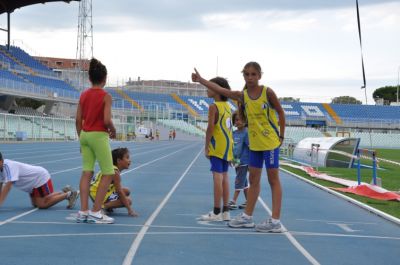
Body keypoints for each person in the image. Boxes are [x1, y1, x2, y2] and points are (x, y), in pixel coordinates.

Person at [192, 62, 286, 232]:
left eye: (253, 74)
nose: (250, 77)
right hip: (255, 144)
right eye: (247, 74)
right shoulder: (242, 96)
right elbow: (221, 90)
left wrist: (281, 135)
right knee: (253, 180)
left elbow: (280, 112)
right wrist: (200, 80)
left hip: (270, 143)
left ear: (259, 76)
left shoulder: (267, 92)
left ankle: (275, 220)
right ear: (243, 75)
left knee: (273, 179)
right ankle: (247, 217)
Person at [75, 58, 117, 224]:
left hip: (84, 134)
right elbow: (106, 120)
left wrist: (80, 138)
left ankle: (83, 211)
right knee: (108, 173)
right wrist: (113, 130)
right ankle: (96, 211)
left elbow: (78, 120)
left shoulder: (83, 95)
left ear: (90, 78)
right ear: (105, 78)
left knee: (87, 172)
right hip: (98, 135)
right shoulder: (106, 96)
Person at [199, 77, 233, 222]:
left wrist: (206, 146)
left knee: (217, 177)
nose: (206, 88)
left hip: (217, 144)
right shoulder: (228, 106)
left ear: (217, 89)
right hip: (228, 144)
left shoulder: (214, 107)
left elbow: (210, 128)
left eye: (209, 86)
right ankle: (225, 211)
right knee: (225, 176)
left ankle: (216, 211)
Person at [0, 152, 79, 209]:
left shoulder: (8, 167)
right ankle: (63, 193)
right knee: (35, 205)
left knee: (42, 205)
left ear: (1, 161)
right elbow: (1, 184)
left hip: (39, 178)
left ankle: (69, 194)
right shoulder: (2, 167)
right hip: (32, 184)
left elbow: (7, 187)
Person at [90, 148, 138, 217]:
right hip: (97, 194)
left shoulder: (111, 168)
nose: (130, 160)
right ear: (118, 160)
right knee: (128, 201)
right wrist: (130, 210)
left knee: (126, 191)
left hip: (95, 191)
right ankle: (102, 206)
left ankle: (106, 205)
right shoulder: (115, 172)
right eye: (127, 158)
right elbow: (119, 192)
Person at [228, 111, 249, 210]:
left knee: (239, 180)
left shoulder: (246, 133)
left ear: (245, 121)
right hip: (236, 161)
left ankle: (233, 201)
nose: (237, 121)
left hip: (244, 162)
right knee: (243, 181)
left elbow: (250, 146)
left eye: (239, 119)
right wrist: (231, 159)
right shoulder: (234, 133)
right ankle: (249, 201)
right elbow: (232, 147)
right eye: (236, 120)